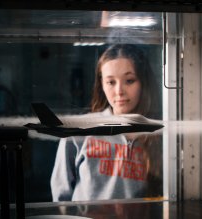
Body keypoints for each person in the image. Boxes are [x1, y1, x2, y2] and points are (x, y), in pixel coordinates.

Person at [50, 44, 162, 202]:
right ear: (101, 84)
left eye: (129, 80)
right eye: (111, 82)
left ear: (143, 83)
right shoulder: (77, 130)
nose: (119, 91)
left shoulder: (160, 135)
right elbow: (61, 197)